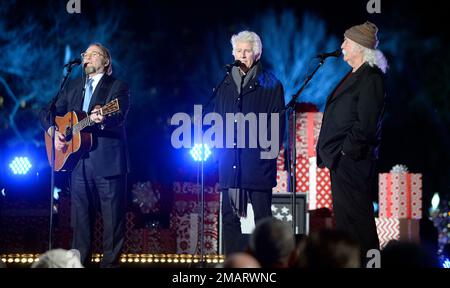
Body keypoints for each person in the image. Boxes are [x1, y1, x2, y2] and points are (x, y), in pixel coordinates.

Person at [40, 43, 130, 267]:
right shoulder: (74, 85)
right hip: (77, 162)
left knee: (112, 223)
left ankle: (110, 265)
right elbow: (46, 112)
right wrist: (55, 131)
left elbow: (118, 113)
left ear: (106, 61)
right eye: (84, 55)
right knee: (80, 223)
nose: (86, 59)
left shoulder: (117, 86)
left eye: (93, 54)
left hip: (108, 162)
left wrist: (103, 118)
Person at [316, 21, 388, 256]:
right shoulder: (354, 74)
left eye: (346, 41)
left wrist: (345, 152)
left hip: (352, 161)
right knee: (346, 222)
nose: (342, 45)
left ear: (359, 46)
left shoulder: (371, 77)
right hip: (341, 161)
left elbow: (366, 125)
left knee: (358, 221)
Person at [214, 30, 285, 255]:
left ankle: (266, 263)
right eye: (238, 51)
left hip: (257, 164)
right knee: (230, 216)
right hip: (230, 163)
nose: (242, 55)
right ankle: (234, 264)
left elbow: (277, 124)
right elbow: (218, 119)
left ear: (257, 54)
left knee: (263, 219)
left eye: (247, 51)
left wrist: (267, 153)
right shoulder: (225, 83)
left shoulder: (271, 84)